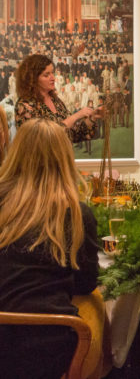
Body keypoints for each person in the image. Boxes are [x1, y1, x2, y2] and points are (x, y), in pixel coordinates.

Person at [0, 118, 99, 377]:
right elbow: (87, 282)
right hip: (50, 343)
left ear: (16, 153)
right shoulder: (77, 213)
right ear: (64, 157)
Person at [14, 54, 99, 143]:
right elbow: (42, 141)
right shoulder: (24, 105)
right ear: (33, 79)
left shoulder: (55, 100)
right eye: (46, 75)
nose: (53, 78)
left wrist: (92, 118)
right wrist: (75, 116)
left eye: (52, 73)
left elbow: (74, 133)